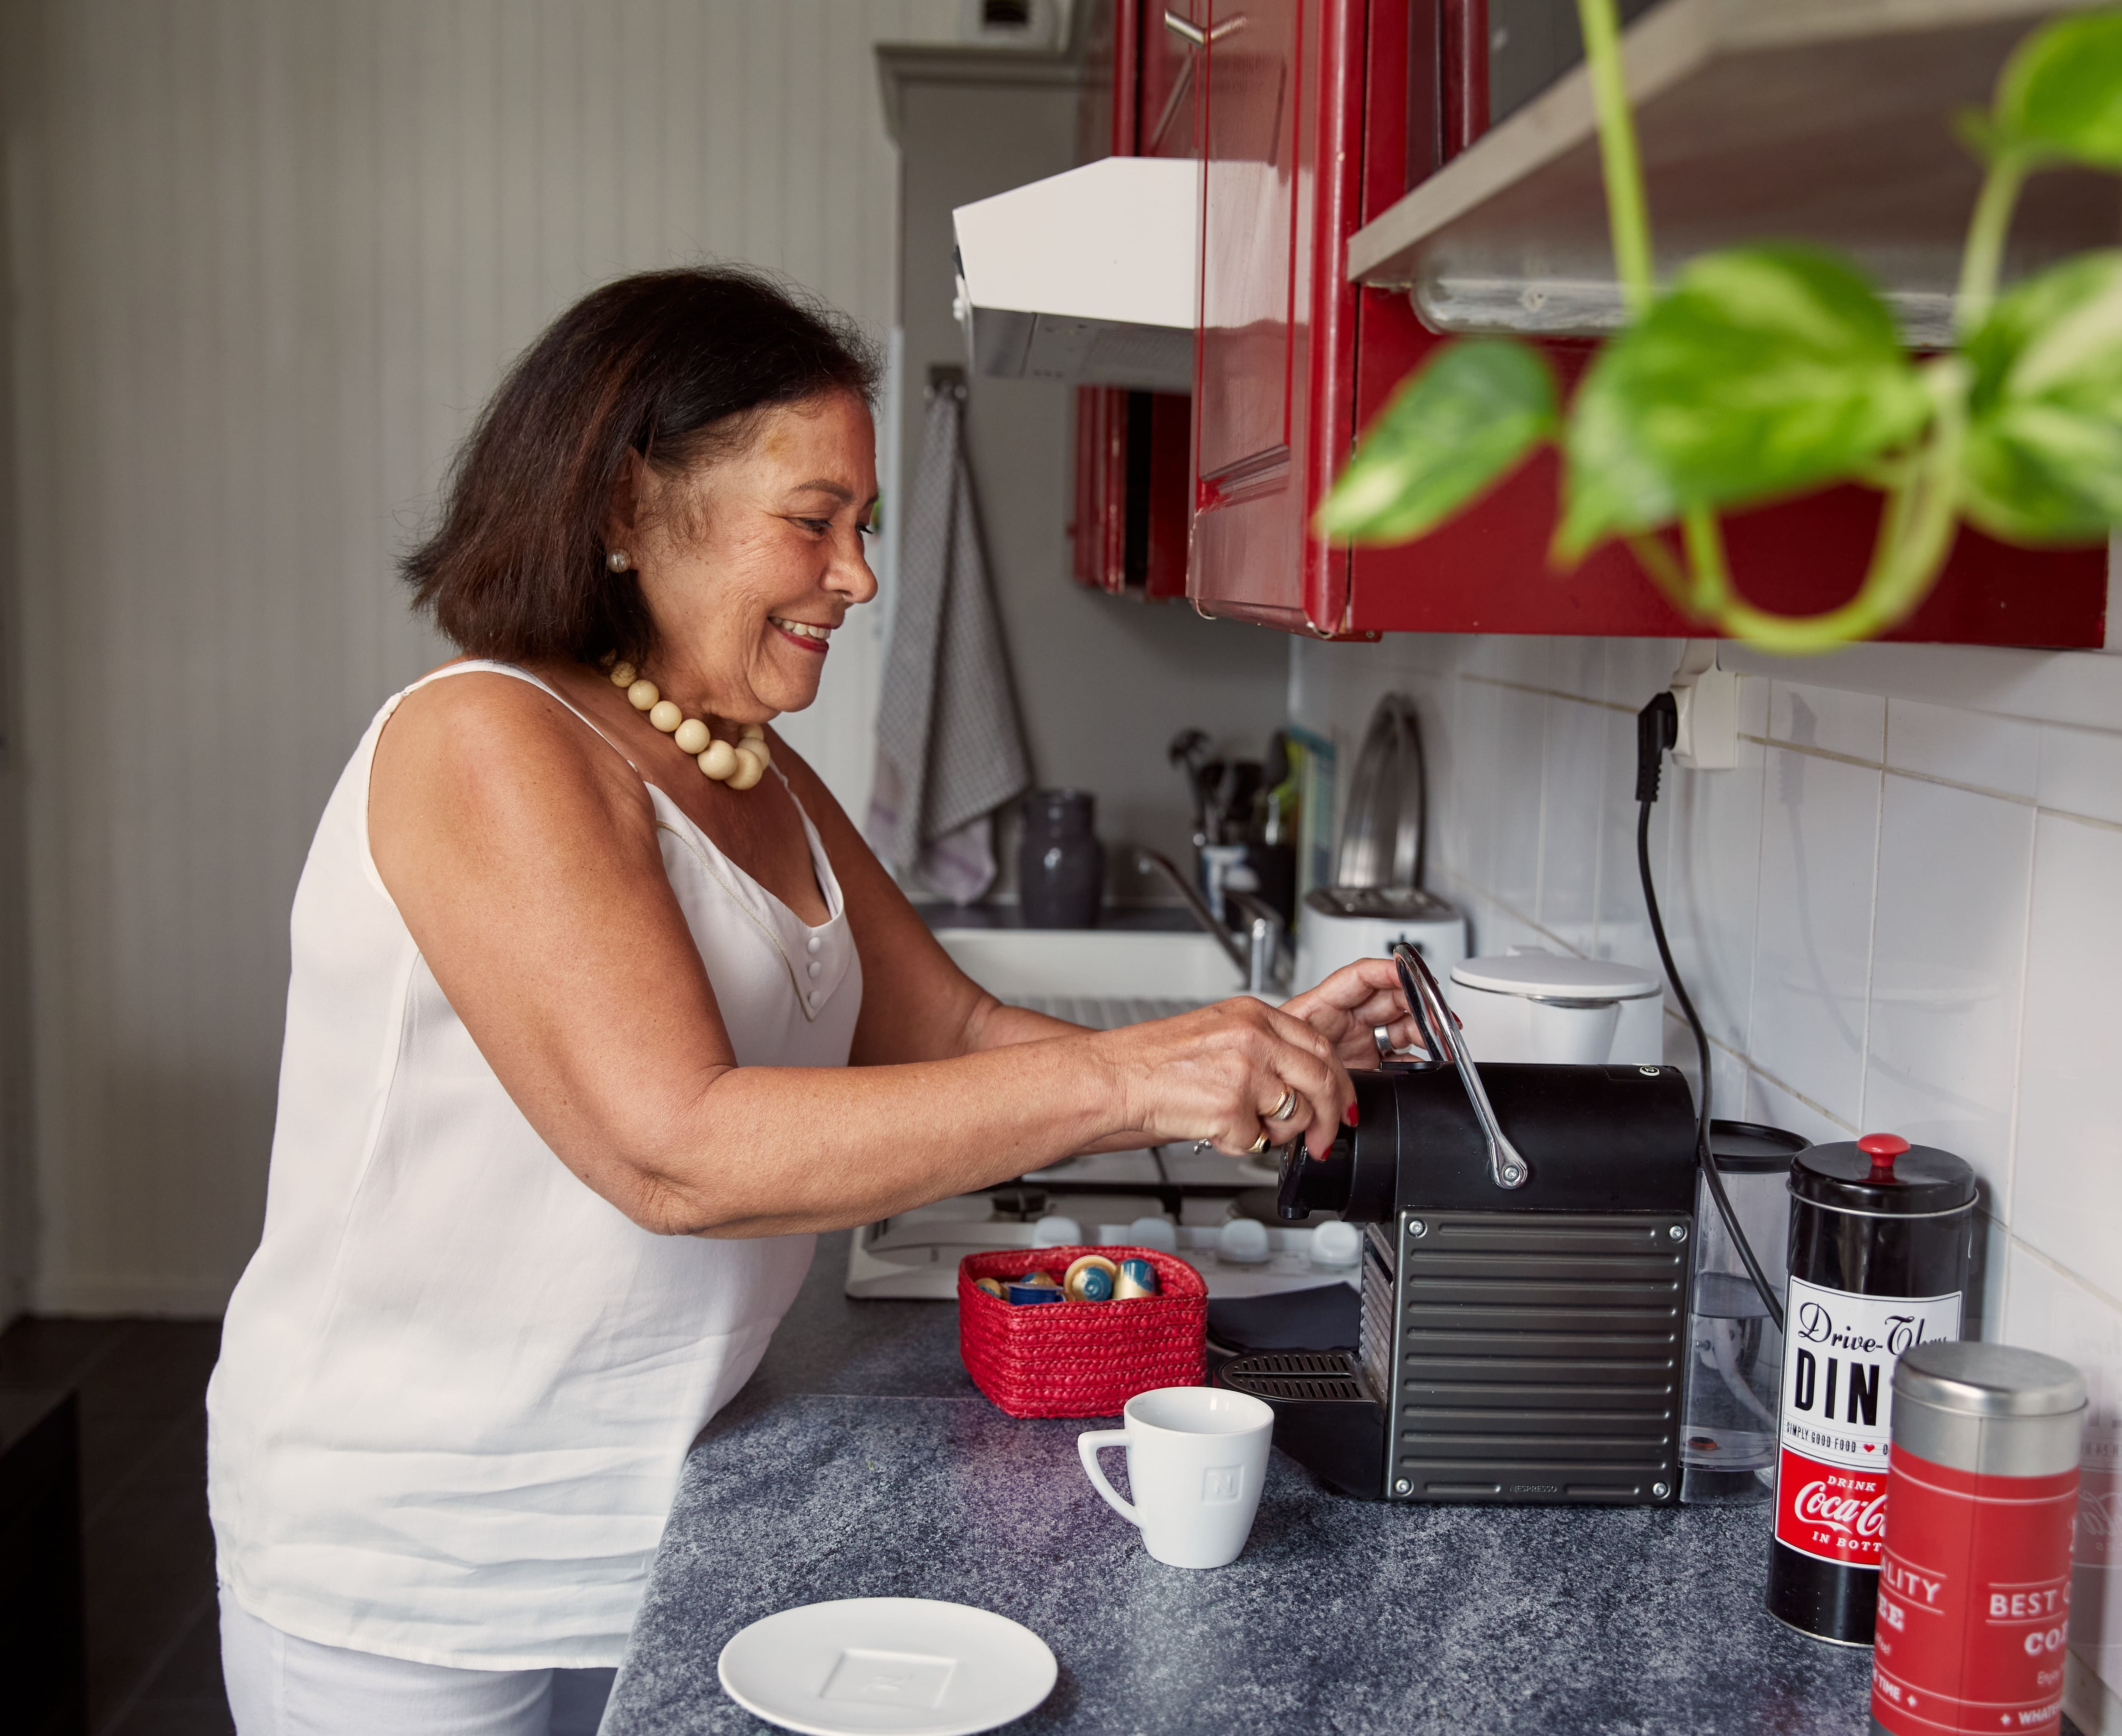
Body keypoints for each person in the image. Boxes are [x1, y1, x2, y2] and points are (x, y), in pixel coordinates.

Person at [204, 267, 1421, 1735]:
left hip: (665, 1506)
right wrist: (1137, 1078)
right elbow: (676, 1153)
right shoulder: (486, 737)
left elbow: (952, 1033)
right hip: (417, 1551)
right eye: (814, 520)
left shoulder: (749, 765)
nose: (857, 577)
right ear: (625, 505)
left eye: (866, 528)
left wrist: (1245, 1063)